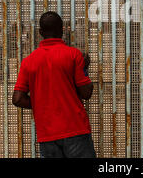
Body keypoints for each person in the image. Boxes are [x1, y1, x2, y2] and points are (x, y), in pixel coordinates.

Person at [12, 11, 96, 158]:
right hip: (75, 129)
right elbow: (86, 93)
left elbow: (17, 99)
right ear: (62, 30)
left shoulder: (28, 61)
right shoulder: (73, 55)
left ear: (40, 32)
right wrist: (85, 68)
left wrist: (42, 102)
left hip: (47, 134)